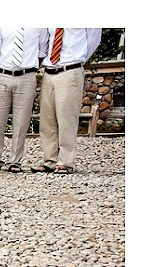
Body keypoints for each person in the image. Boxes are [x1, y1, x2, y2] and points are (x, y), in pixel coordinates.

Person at [32, 28, 102, 174]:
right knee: (47, 118)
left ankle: (65, 161)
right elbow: (45, 41)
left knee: (66, 118)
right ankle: (49, 160)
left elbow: (93, 41)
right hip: (50, 70)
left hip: (70, 69)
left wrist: (78, 58)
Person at [0, 28, 48, 173]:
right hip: (3, 73)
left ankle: (15, 161)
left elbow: (42, 50)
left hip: (26, 74)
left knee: (21, 121)